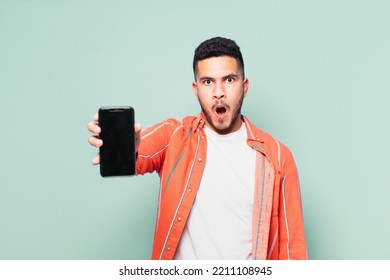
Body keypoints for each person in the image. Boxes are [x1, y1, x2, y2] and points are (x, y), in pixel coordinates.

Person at [88, 37, 307, 260]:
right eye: (208, 82)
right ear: (196, 89)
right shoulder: (174, 136)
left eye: (229, 80)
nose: (219, 92)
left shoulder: (277, 156)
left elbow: (293, 248)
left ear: (245, 86)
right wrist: (122, 147)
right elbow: (139, 155)